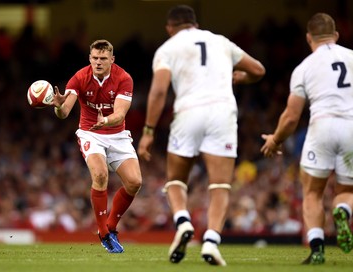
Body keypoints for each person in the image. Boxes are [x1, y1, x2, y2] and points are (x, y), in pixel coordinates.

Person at [137, 5, 265, 266]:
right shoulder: (220, 41)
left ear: (169, 28)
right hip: (223, 113)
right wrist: (240, 77)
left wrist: (148, 131)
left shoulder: (167, 49)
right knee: (220, 185)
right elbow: (259, 70)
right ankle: (211, 241)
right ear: (194, 23)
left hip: (189, 112)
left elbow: (159, 92)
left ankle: (183, 221)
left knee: (175, 180)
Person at [261, 13, 353, 264]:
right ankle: (343, 211)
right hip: (351, 128)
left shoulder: (304, 68)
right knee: (347, 190)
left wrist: (275, 140)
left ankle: (317, 249)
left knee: (312, 193)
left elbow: (291, 117)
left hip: (322, 127)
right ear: (336, 35)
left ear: (308, 38)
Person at [52, 39, 142, 253]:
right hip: (90, 133)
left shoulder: (124, 78)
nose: (98, 62)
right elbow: (64, 113)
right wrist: (57, 106)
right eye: (95, 58)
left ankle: (110, 227)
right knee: (100, 175)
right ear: (89, 58)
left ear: (112, 59)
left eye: (103, 58)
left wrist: (107, 120)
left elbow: (120, 113)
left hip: (117, 134)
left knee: (135, 182)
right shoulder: (79, 77)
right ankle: (103, 233)